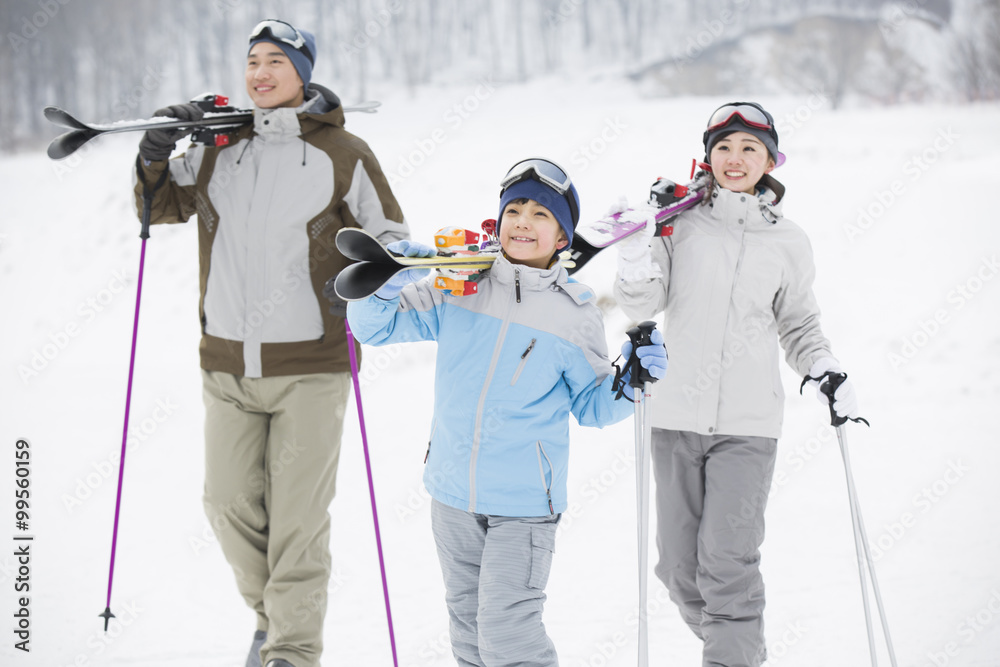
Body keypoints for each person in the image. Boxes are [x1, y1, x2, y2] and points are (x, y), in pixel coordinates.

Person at [132, 19, 409, 667]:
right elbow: (157, 208)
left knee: (297, 523)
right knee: (225, 501)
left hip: (311, 365)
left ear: (303, 72)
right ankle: (273, 617)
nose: (260, 72)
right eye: (252, 60)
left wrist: (367, 275)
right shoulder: (217, 147)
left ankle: (291, 649)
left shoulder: (346, 153)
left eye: (275, 61)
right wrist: (153, 152)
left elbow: (392, 238)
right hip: (225, 362)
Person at [346, 158, 668, 666]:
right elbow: (376, 328)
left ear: (563, 237)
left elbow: (592, 407)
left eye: (541, 214)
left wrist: (632, 381)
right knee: (469, 631)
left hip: (523, 503)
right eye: (514, 209)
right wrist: (384, 286)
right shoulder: (458, 286)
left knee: (507, 634)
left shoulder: (573, 311)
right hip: (451, 492)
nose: (522, 220)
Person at [612, 102, 860, 667]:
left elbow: (799, 322)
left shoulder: (788, 241)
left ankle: (732, 656)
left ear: (770, 160)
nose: (735, 158)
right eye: (723, 146)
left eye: (750, 147)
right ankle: (741, 648)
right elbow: (643, 303)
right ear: (707, 155)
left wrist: (824, 368)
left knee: (727, 561)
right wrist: (634, 252)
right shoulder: (678, 222)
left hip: (748, 426)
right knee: (677, 567)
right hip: (674, 417)